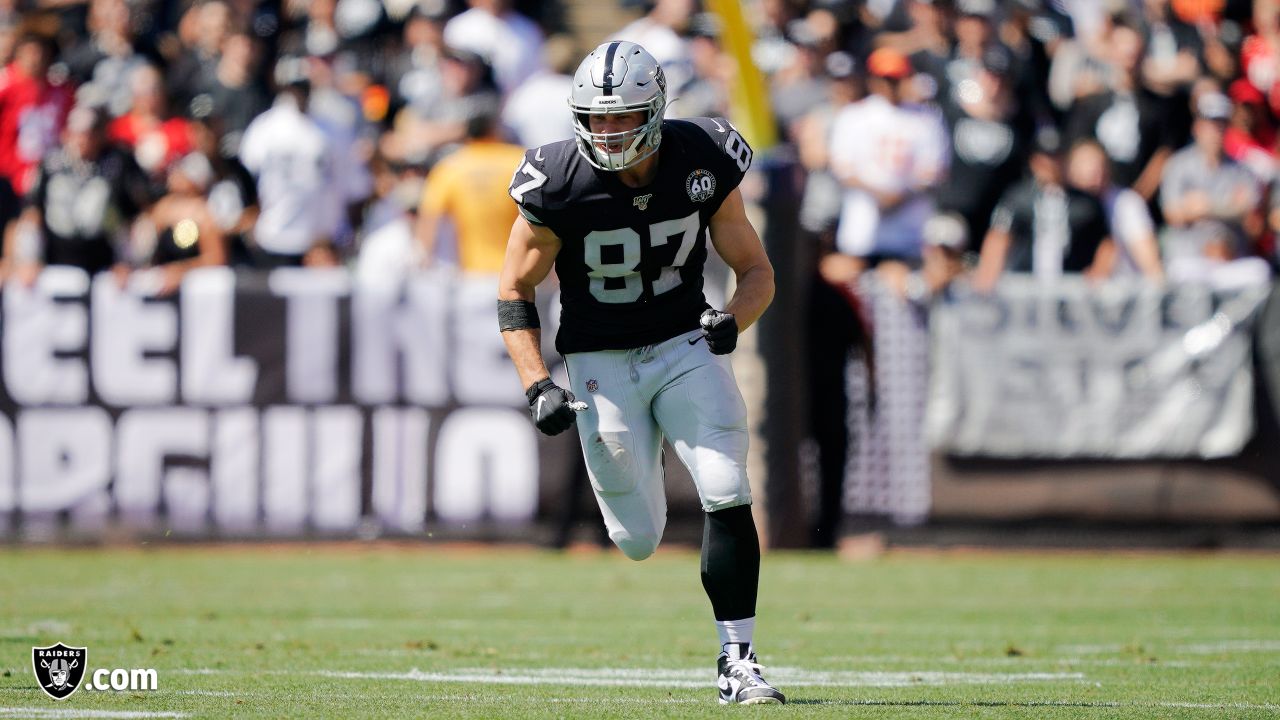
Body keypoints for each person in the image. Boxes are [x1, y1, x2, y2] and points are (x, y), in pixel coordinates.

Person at [497, 41, 784, 705]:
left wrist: (732, 319)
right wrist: (537, 383)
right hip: (600, 360)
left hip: (683, 343)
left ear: (655, 112)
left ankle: (737, 660)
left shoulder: (702, 156)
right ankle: (641, 446)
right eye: (595, 119)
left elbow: (759, 272)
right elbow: (514, 288)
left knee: (724, 484)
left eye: (623, 118)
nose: (608, 132)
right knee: (637, 540)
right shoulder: (557, 178)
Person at [416, 110, 524, 272]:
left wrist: (425, 262)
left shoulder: (450, 167)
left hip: (473, 276)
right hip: (519, 272)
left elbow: (429, 218)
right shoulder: (519, 160)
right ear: (494, 130)